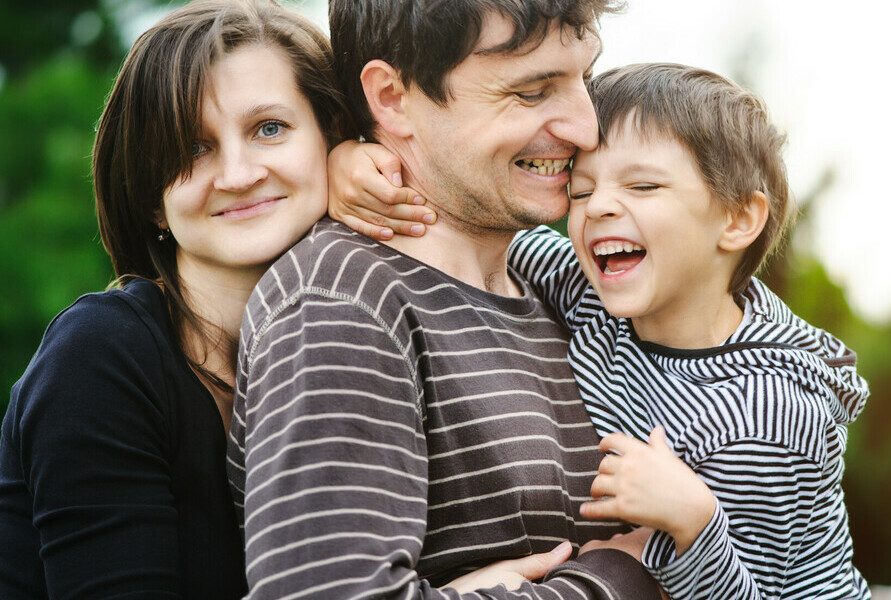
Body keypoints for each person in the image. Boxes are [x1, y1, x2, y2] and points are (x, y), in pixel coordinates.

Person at [339, 63, 873, 600]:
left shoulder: (765, 417)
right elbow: (472, 239)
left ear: (737, 218)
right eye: (580, 189)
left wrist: (697, 522)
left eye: (642, 185)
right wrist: (358, 166)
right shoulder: (587, 291)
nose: (599, 207)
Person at [224, 0, 663, 598]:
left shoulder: (566, 289)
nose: (585, 128)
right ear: (392, 98)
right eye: (533, 92)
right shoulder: (343, 307)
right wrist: (615, 581)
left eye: (583, 78)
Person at [0, 1, 344, 596]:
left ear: (330, 139)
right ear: (152, 197)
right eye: (193, 148)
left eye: (269, 129)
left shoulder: (358, 329)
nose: (237, 173)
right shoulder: (99, 358)